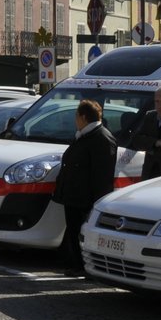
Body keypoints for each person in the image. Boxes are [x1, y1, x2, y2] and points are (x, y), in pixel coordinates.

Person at [51, 99, 117, 271]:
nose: (75, 120)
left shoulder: (101, 138)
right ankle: (75, 264)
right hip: (74, 195)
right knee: (73, 231)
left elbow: (102, 175)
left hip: (84, 199)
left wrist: (97, 203)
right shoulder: (84, 135)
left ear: (83, 117)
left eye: (76, 116)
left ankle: (82, 266)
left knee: (81, 233)